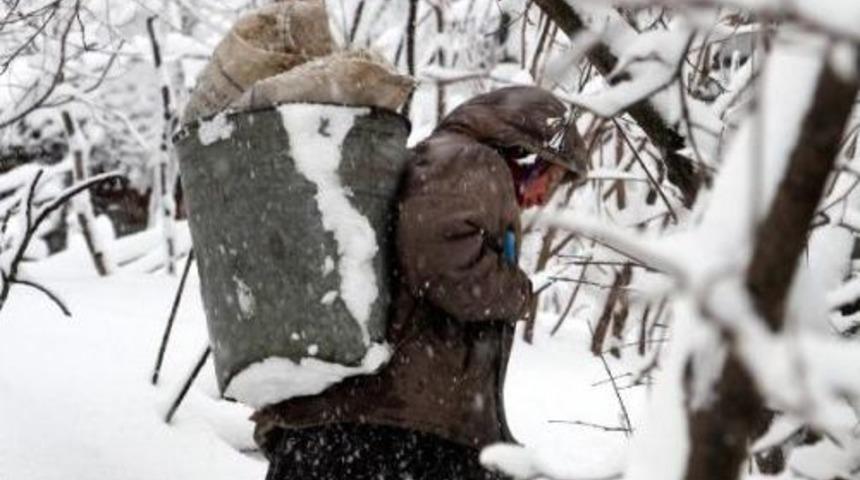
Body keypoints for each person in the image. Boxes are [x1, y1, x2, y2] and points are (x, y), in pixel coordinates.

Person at [253, 85, 576, 480]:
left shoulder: (444, 162)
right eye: (553, 179)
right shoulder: (471, 161)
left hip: (364, 428)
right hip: (392, 431)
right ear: (527, 154)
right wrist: (517, 291)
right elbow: (441, 260)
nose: (545, 198)